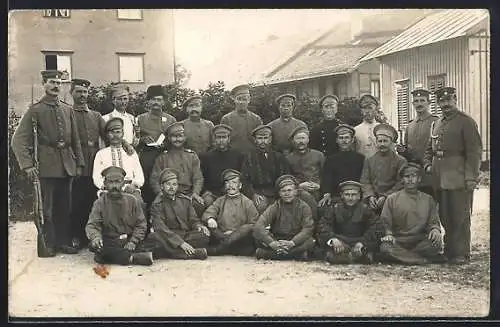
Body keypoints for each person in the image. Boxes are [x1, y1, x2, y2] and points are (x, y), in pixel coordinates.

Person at [11, 70, 85, 256]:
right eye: (52, 82)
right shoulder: (35, 110)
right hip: (46, 166)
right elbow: (18, 139)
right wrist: (27, 165)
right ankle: (48, 244)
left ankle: (63, 242)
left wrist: (79, 163)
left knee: (65, 207)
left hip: (67, 165)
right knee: (46, 209)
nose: (55, 86)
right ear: (44, 84)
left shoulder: (68, 109)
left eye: (59, 83)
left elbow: (75, 140)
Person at [423, 86, 482, 265]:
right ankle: (449, 250)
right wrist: (427, 164)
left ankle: (461, 252)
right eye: (441, 101)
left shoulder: (466, 122)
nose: (445, 104)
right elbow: (428, 148)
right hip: (439, 176)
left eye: (448, 100)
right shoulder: (437, 123)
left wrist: (471, 177)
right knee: (445, 215)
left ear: (455, 99)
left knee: (460, 216)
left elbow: (474, 152)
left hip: (458, 176)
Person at [378, 163, 446, 265]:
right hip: (399, 240)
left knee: (435, 243)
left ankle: (403, 257)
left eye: (413, 176)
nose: (410, 180)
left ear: (419, 179)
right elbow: (385, 222)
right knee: (385, 247)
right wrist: (388, 234)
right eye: (407, 176)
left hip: (419, 240)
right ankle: (420, 260)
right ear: (402, 179)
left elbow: (433, 221)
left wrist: (435, 230)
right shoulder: (392, 199)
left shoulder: (428, 199)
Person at [85, 166, 154, 266]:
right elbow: (92, 225)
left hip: (129, 241)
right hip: (110, 242)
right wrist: (96, 237)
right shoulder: (99, 203)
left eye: (117, 182)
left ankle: (120, 256)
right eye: (111, 182)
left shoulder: (132, 200)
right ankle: (133, 258)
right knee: (94, 246)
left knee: (152, 241)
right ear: (105, 184)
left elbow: (141, 224)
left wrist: (133, 241)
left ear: (123, 183)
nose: (114, 186)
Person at [69, 78, 106, 250]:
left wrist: (125, 144)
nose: (82, 95)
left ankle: (91, 236)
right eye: (78, 92)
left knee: (92, 201)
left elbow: (110, 134)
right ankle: (75, 236)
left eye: (85, 92)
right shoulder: (67, 113)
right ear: (71, 93)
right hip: (76, 164)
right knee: (75, 201)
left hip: (94, 165)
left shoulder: (96, 116)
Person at [147, 168, 209, 260]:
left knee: (203, 235)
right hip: (168, 235)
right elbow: (161, 228)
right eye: (168, 184)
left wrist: (199, 226)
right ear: (161, 186)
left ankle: (171, 252)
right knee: (154, 237)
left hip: (186, 235)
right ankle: (190, 253)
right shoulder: (157, 205)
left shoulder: (185, 201)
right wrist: (181, 243)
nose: (171, 187)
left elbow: (193, 220)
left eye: (174, 184)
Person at [317, 181, 383, 264]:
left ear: (359, 196)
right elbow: (323, 225)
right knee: (331, 255)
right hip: (341, 242)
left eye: (354, 195)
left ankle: (354, 257)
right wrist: (333, 238)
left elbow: (377, 227)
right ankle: (350, 257)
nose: (350, 198)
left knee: (367, 254)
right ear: (342, 195)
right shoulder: (334, 208)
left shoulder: (366, 209)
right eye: (347, 195)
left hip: (359, 242)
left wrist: (363, 242)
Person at [253, 175, 315, 260]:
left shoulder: (304, 207)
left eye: (289, 190)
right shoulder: (275, 206)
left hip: (295, 240)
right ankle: (296, 255)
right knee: (258, 238)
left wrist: (292, 243)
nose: (287, 194)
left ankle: (268, 254)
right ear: (279, 193)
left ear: (296, 192)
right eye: (283, 191)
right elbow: (259, 226)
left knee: (310, 241)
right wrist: (272, 243)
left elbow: (308, 229)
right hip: (278, 240)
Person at [150, 122, 205, 215]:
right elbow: (154, 179)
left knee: (198, 204)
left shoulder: (192, 156)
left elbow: (198, 178)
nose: (177, 139)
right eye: (174, 136)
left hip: (187, 194)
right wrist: (160, 193)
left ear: (185, 138)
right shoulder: (163, 157)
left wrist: (195, 193)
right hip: (167, 194)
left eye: (180, 136)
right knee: (157, 207)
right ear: (169, 138)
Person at [202, 169, 259, 256]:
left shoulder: (247, 202)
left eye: (234, 182)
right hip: (221, 235)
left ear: (240, 186)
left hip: (239, 238)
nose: (230, 186)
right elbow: (209, 212)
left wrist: (235, 234)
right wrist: (210, 219)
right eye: (227, 183)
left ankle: (220, 249)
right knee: (209, 228)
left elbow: (254, 223)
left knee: (248, 228)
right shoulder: (220, 200)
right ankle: (229, 246)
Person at [136, 85, 176, 206]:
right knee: (147, 188)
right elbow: (135, 139)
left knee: (165, 185)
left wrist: (166, 143)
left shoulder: (171, 119)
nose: (156, 102)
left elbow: (176, 139)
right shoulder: (140, 118)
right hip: (147, 158)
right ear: (148, 101)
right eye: (153, 99)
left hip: (165, 157)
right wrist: (143, 139)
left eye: (159, 99)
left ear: (164, 101)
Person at [398, 88, 438, 198]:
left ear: (428, 103)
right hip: (413, 176)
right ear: (412, 103)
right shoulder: (410, 126)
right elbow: (407, 150)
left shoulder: (436, 122)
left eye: (422, 100)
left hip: (430, 175)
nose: (419, 104)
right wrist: (403, 151)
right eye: (416, 101)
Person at [93, 117, 145, 200]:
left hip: (129, 189)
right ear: (107, 135)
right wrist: (105, 186)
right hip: (109, 189)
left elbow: (139, 175)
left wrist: (134, 185)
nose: (115, 136)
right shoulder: (101, 154)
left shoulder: (131, 152)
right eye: (111, 133)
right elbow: (96, 177)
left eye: (118, 132)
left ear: (123, 133)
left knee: (137, 204)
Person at [319, 124, 365, 208]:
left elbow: (364, 179)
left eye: (347, 138)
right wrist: (327, 193)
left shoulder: (361, 158)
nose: (344, 141)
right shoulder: (330, 159)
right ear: (337, 140)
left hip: (356, 195)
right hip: (337, 196)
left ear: (352, 140)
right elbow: (326, 178)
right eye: (341, 138)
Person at [199, 124, 245, 207]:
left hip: (233, 191)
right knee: (207, 200)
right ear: (214, 139)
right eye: (218, 137)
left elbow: (242, 176)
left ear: (229, 139)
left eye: (224, 137)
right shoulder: (206, 157)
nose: (221, 140)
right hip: (213, 193)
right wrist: (205, 190)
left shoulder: (238, 156)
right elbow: (201, 177)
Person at [220, 84, 263, 155]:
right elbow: (223, 141)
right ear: (234, 100)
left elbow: (261, 139)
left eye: (244, 99)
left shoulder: (256, 119)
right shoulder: (226, 119)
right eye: (239, 99)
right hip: (233, 156)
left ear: (249, 100)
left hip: (252, 156)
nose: (241, 102)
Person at [285, 126, 325, 200]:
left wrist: (319, 185)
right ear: (293, 141)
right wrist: (299, 186)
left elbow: (326, 175)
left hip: (318, 191)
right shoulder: (288, 158)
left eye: (303, 138)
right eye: (298, 138)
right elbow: (287, 178)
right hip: (298, 192)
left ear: (308, 140)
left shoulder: (319, 155)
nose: (301, 141)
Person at [354, 94, 380, 158]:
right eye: (364, 108)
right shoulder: (355, 131)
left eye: (370, 108)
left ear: (376, 110)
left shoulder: (382, 129)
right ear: (361, 111)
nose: (367, 111)